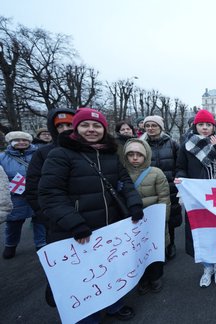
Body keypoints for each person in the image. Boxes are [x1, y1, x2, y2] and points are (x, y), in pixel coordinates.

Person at [38, 108, 143, 322]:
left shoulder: (110, 154)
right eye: (86, 125)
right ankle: (88, 317)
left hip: (110, 227)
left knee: (111, 269)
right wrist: (74, 223)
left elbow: (126, 184)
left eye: (97, 126)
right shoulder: (60, 154)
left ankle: (115, 305)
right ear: (76, 128)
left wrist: (134, 204)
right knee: (83, 279)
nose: (92, 130)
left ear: (104, 129)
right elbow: (50, 194)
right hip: (77, 231)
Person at [175, 109, 216, 287]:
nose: (205, 128)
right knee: (200, 231)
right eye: (201, 124)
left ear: (213, 127)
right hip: (197, 197)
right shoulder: (186, 146)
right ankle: (207, 267)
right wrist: (180, 178)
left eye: (208, 125)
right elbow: (180, 167)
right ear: (195, 126)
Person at [122, 138, 170, 295]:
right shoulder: (121, 174)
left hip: (153, 223)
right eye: (131, 154)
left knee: (154, 252)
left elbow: (164, 198)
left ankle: (156, 277)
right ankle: (141, 280)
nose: (135, 158)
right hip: (131, 223)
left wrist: (163, 219)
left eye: (139, 154)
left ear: (146, 155)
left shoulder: (156, 173)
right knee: (136, 253)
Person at [26, 108, 75, 238]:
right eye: (60, 126)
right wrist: (49, 218)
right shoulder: (42, 153)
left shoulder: (90, 150)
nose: (65, 129)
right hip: (58, 223)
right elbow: (33, 190)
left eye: (69, 125)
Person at [141, 115, 181, 260]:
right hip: (148, 187)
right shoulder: (140, 144)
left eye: (154, 125)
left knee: (169, 216)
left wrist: (176, 178)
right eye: (148, 126)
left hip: (169, 185)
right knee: (151, 218)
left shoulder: (172, 143)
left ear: (160, 127)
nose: (151, 128)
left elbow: (179, 163)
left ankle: (171, 244)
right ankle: (155, 247)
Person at [1, 131, 41, 259]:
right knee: (13, 223)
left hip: (36, 193)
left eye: (24, 140)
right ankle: (10, 245)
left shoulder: (38, 154)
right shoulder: (2, 157)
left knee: (40, 220)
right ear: (11, 142)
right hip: (15, 197)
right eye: (17, 140)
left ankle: (41, 245)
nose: (21, 142)